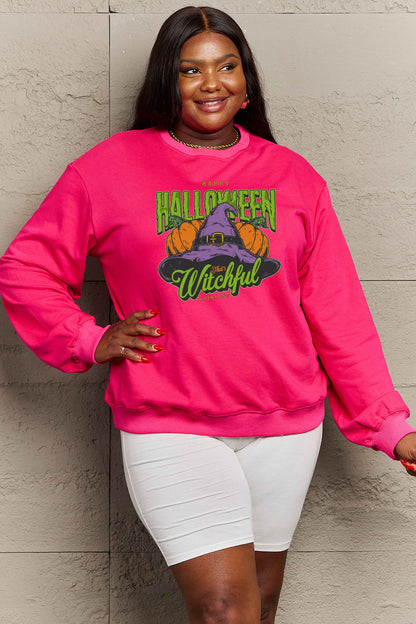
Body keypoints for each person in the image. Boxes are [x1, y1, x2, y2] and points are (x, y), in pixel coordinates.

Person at [0, 5, 415, 623]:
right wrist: (87, 337)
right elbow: (26, 267)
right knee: (225, 609)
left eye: (227, 66)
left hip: (286, 427)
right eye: (190, 70)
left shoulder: (293, 178)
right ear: (166, 82)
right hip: (170, 424)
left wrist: (390, 427)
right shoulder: (108, 169)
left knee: (259, 607)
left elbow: (338, 313)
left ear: (247, 84)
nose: (211, 83)